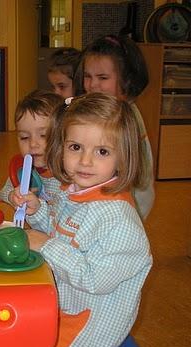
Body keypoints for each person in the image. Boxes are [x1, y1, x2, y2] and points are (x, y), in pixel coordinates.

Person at [0, 93, 153, 347]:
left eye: (102, 151)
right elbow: (60, 230)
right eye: (76, 147)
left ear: (123, 156)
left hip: (88, 325)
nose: (85, 161)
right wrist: (37, 211)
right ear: (61, 147)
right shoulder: (74, 191)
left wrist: (44, 244)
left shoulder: (119, 222)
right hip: (61, 303)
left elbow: (94, 280)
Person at [75, 34, 154, 220]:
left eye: (103, 77)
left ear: (126, 80)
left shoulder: (123, 117)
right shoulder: (107, 109)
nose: (93, 85)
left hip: (127, 203)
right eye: (88, 76)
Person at [0, 90, 64, 205]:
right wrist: (13, 196)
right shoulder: (24, 170)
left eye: (44, 135)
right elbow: (4, 191)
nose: (33, 144)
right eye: (24, 137)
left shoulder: (72, 175)